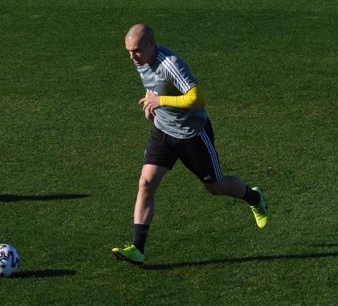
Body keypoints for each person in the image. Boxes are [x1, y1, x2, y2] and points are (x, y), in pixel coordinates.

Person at [111, 24, 269, 265]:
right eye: (128, 51)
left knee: (215, 187)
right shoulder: (141, 61)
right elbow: (153, 87)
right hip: (163, 131)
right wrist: (151, 106)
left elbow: (197, 97)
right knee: (146, 182)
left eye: (136, 51)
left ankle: (254, 198)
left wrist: (160, 101)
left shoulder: (170, 64)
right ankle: (138, 249)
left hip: (191, 134)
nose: (132, 57)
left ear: (152, 45)